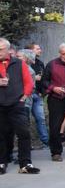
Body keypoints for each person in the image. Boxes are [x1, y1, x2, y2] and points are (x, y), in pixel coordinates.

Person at [0, 38, 40, 174]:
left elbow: (28, 82)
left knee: (24, 133)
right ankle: (2, 162)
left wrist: (24, 96)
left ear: (8, 50)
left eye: (1, 49)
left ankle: (25, 163)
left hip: (17, 104)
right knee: (2, 135)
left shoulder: (19, 63)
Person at [27, 43, 49, 149]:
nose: (40, 50)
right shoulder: (25, 63)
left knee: (41, 119)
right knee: (25, 120)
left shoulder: (40, 63)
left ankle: (45, 142)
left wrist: (43, 92)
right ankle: (26, 143)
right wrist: (34, 78)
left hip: (38, 94)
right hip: (28, 95)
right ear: (30, 51)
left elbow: (44, 78)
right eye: (37, 49)